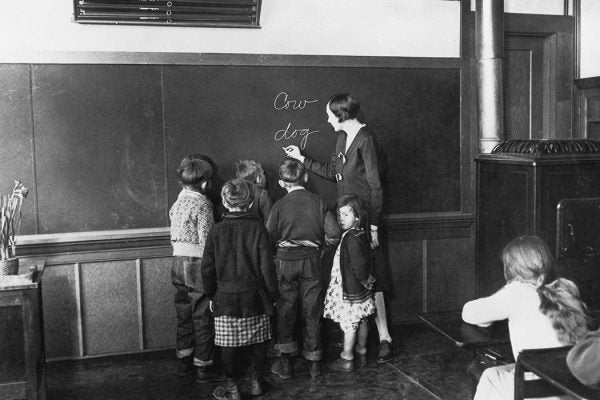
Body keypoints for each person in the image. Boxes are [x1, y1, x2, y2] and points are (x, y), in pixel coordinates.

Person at [283, 93, 393, 362]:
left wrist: (375, 226)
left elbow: (376, 186)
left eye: (330, 115)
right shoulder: (343, 137)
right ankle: (357, 336)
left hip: (366, 221)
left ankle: (385, 338)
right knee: (356, 276)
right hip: (347, 219)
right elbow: (335, 172)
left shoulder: (366, 140)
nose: (327, 119)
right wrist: (302, 158)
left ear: (342, 115)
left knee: (373, 276)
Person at [462, 235, 589, 400]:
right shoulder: (567, 287)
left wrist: (506, 290)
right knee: (496, 373)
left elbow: (471, 313)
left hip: (539, 388)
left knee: (490, 378)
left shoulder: (517, 293)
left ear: (509, 269)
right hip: (576, 385)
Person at [201, 178, 278, 400]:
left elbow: (207, 270)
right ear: (251, 202)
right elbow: (267, 268)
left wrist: (211, 295)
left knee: (227, 343)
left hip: (225, 296)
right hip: (255, 295)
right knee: (259, 341)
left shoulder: (216, 231)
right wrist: (272, 295)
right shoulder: (258, 229)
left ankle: (232, 387)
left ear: (225, 203)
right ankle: (256, 382)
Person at [266, 159, 339, 379]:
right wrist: (321, 250)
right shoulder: (318, 201)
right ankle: (315, 361)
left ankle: (285, 363)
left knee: (286, 310)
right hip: (312, 262)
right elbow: (334, 234)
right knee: (312, 310)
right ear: (305, 177)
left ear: (281, 183)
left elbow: (268, 238)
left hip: (284, 263)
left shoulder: (278, 206)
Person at [169, 156, 220, 382]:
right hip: (196, 263)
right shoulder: (203, 204)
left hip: (177, 261)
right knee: (202, 315)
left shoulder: (176, 204)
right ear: (205, 184)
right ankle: (203, 366)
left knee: (184, 314)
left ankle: (183, 362)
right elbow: (207, 241)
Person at [323, 194, 376, 373]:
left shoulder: (350, 237)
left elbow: (359, 265)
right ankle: (362, 350)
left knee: (349, 324)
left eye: (346, 214)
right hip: (359, 290)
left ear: (357, 216)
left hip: (350, 289)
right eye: (339, 215)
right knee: (362, 320)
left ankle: (347, 357)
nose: (341, 219)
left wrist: (363, 279)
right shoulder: (359, 233)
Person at [235, 159, 273, 224]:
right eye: (263, 174)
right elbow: (269, 223)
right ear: (259, 178)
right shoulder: (263, 195)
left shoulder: (235, 192)